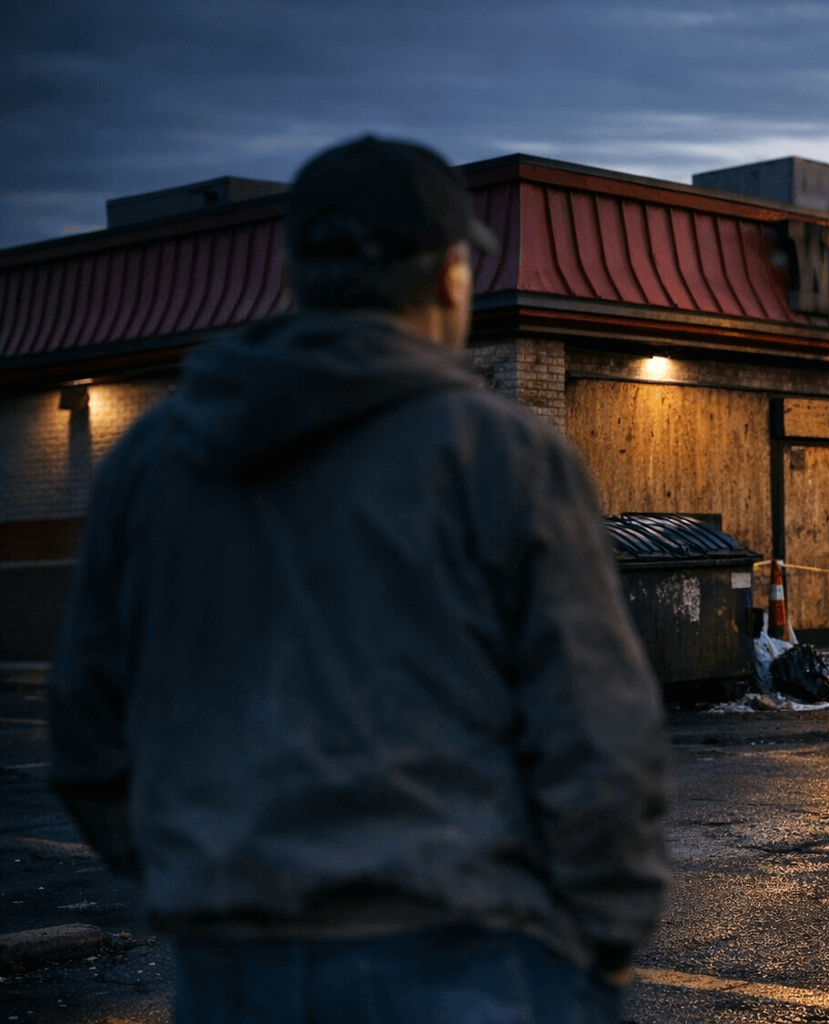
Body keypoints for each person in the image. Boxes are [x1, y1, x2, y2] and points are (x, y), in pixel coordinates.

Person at [49, 136, 669, 1023]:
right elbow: (598, 735)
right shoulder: (501, 456)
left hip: (233, 966)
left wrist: (203, 878)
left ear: (296, 273)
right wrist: (605, 944)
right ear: (452, 278)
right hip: (470, 956)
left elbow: (86, 731)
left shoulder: (151, 462)